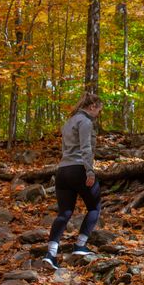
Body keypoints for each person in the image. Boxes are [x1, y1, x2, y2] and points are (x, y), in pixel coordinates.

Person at [43, 92, 103, 270]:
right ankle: (80, 245)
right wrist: (90, 171)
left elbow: (65, 149)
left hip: (63, 171)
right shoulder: (85, 122)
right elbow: (85, 148)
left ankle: (51, 254)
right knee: (94, 207)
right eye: (98, 110)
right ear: (92, 107)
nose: (98, 114)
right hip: (78, 169)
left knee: (65, 212)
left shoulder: (68, 122)